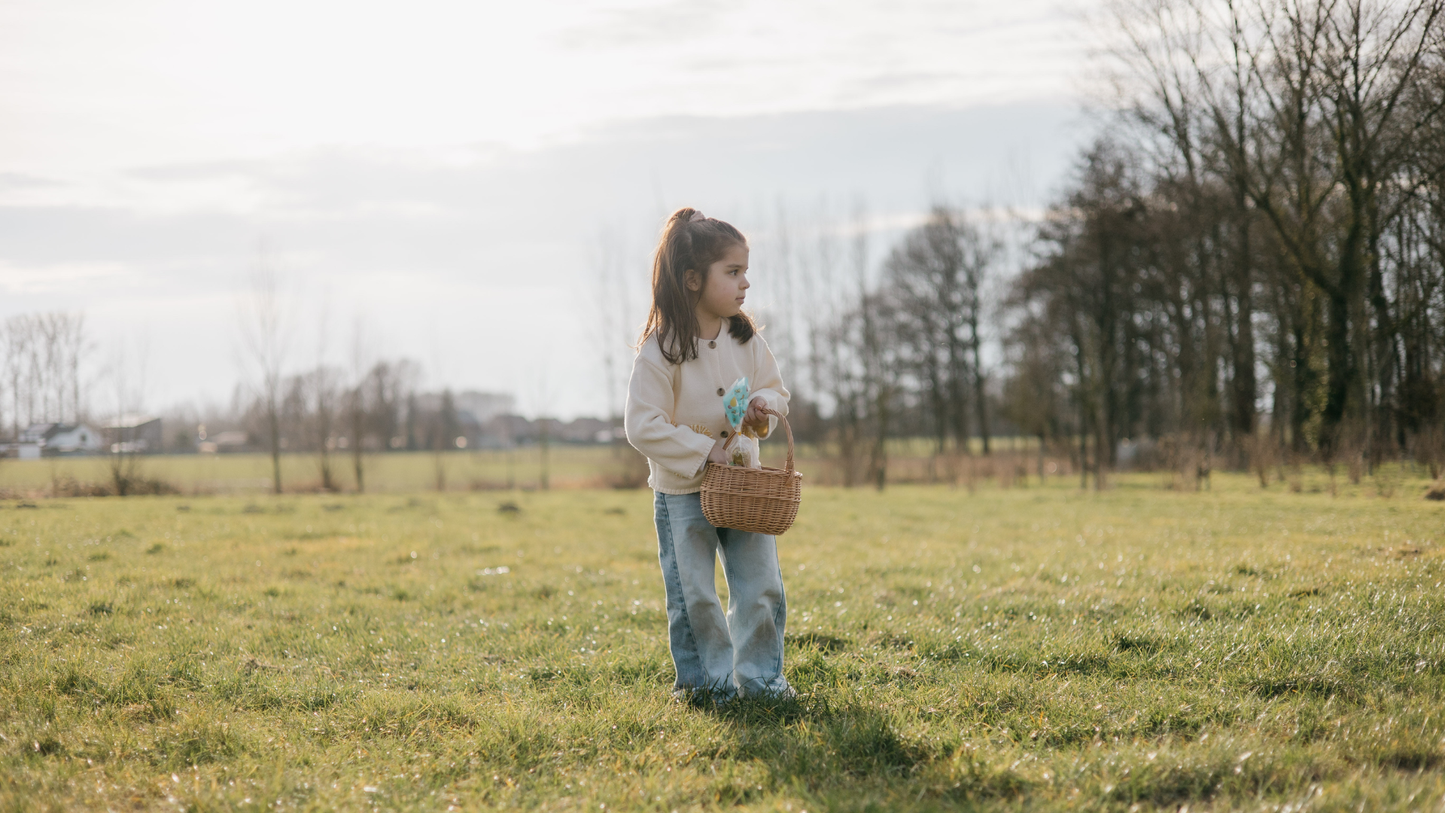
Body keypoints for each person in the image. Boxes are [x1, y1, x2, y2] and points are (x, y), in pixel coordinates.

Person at [624, 207, 793, 702]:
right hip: (682, 493)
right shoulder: (661, 350)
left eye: (746, 272)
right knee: (694, 596)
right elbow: (642, 425)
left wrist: (765, 407)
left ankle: (762, 683)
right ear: (694, 280)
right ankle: (706, 687)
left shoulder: (747, 340)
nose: (745, 284)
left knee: (760, 587)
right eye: (733, 272)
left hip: (745, 490)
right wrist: (702, 452)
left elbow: (774, 391)